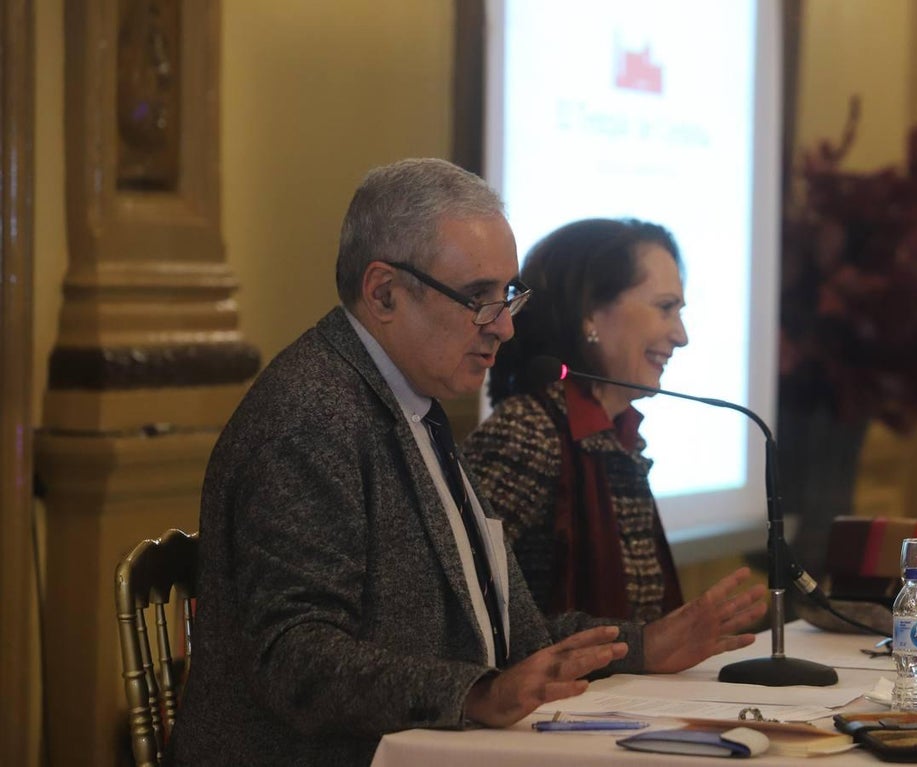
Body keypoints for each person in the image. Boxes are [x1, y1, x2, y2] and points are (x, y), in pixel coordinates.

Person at [170, 159, 767, 767]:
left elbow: (507, 637)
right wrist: (478, 692)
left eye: (508, 295)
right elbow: (294, 659)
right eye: (478, 299)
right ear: (384, 293)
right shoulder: (310, 420)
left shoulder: (416, 407)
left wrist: (642, 645)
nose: (505, 327)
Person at [463, 218, 688, 623]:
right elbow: (457, 607)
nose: (681, 335)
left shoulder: (618, 437)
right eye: (665, 308)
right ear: (590, 314)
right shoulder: (527, 434)